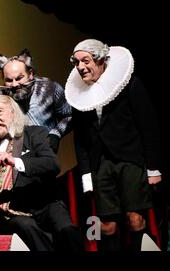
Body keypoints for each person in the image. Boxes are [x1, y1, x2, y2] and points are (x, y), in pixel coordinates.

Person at [65, 39, 163, 251]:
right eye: (76, 62)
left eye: (85, 60)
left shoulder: (130, 85)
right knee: (106, 226)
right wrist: (86, 174)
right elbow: (80, 140)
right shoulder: (80, 96)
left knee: (135, 219)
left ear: (100, 60)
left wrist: (153, 167)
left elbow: (149, 126)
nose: (80, 67)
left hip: (130, 160)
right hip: (100, 165)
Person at [0, 95, 84, 251]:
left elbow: (52, 165)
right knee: (27, 226)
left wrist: (16, 162)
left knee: (67, 230)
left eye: (0, 111)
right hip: (8, 213)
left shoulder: (35, 134)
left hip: (45, 205)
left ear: (13, 113)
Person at [0, 49, 71, 153]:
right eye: (9, 80)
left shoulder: (50, 88)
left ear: (30, 73)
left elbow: (69, 115)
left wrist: (56, 134)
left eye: (19, 78)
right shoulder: (0, 96)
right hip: (13, 157)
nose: (15, 84)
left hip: (45, 156)